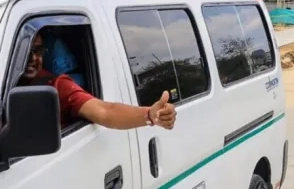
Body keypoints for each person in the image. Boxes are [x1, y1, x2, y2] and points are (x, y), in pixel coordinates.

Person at [17, 31, 177, 130]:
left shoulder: (57, 86)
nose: (32, 58)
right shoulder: (6, 81)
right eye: (23, 51)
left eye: (37, 51)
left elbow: (106, 111)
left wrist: (150, 115)